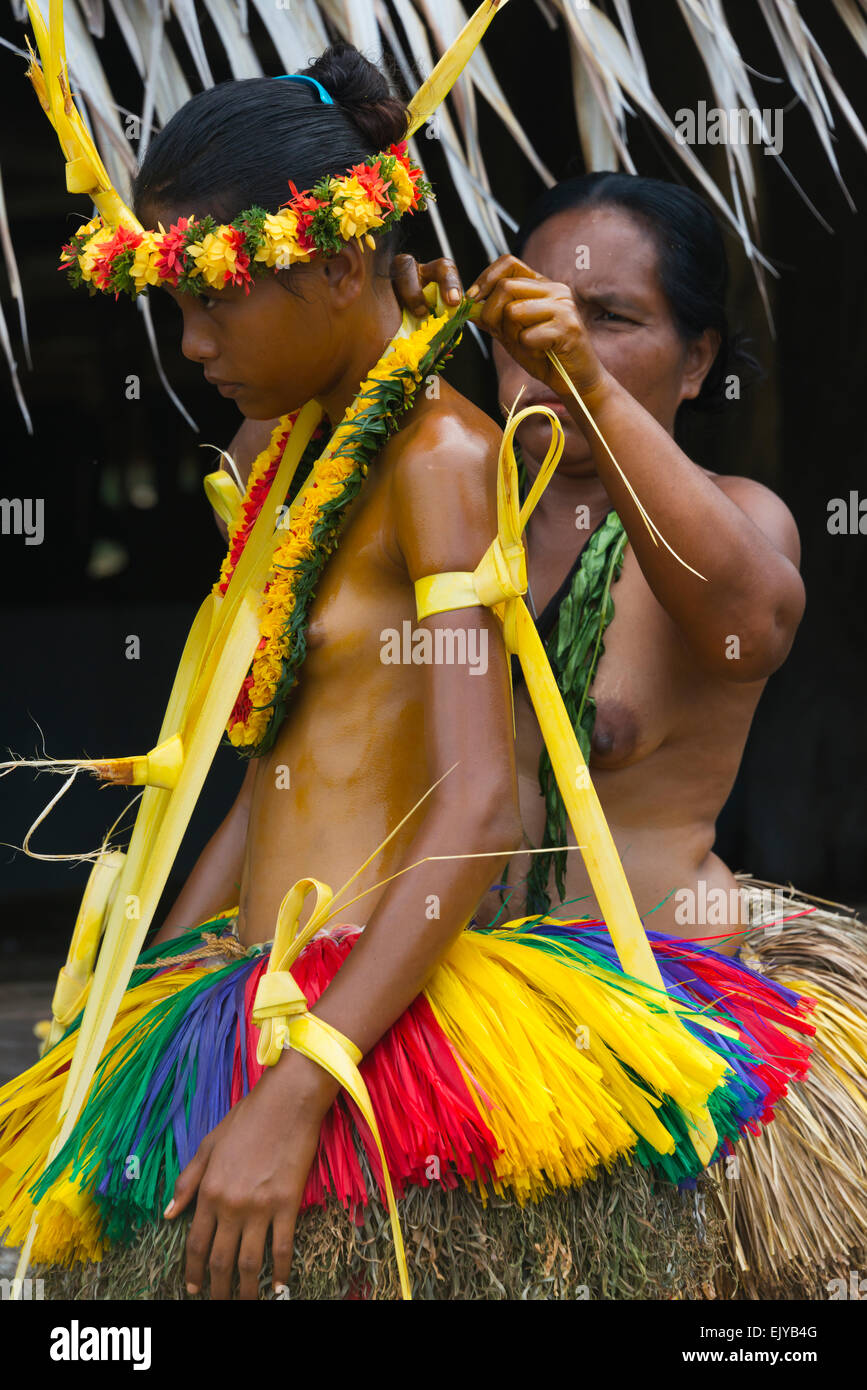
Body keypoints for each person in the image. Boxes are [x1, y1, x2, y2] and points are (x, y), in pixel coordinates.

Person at [0, 40, 816, 1301]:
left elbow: (742, 627)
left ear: (699, 360)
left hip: (635, 1035)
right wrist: (144, 994)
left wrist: (585, 385)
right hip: (418, 1018)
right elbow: (289, 753)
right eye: (532, 303)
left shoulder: (723, 521)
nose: (553, 336)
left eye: (609, 318)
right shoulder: (429, 480)